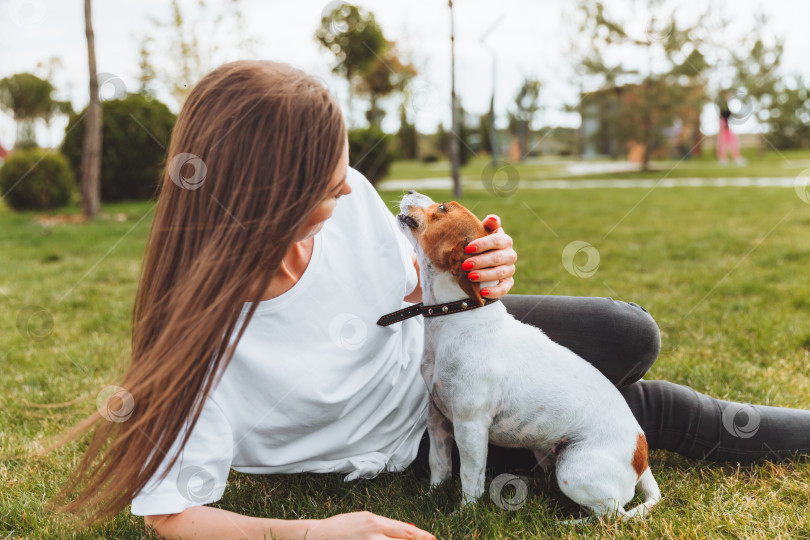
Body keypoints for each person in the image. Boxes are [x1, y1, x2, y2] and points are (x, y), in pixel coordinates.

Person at [54, 60, 810, 540]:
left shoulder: (349, 205)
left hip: (446, 348)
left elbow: (419, 285)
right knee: (650, 407)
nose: (350, 189)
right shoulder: (205, 341)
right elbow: (170, 513)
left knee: (626, 334)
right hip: (417, 430)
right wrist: (317, 534)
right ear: (267, 194)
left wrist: (489, 268)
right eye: (328, 180)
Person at [717, 90, 745, 166]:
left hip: (727, 125)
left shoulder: (726, 104)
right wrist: (723, 126)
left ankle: (736, 158)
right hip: (724, 124)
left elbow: (729, 114)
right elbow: (723, 115)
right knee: (723, 143)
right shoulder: (722, 104)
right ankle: (723, 159)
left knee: (733, 142)